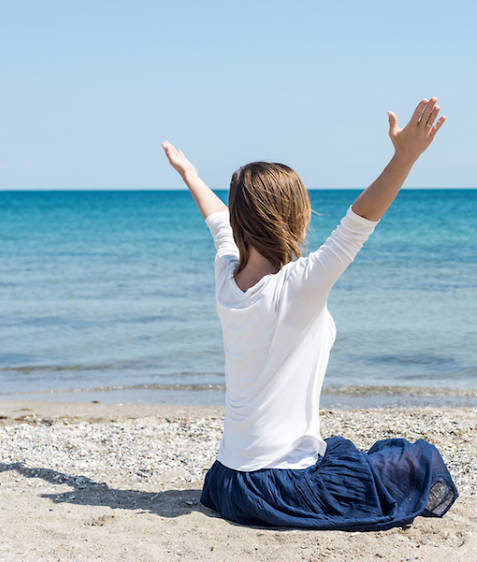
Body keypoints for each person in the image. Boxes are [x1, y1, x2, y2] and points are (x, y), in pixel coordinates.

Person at [161, 97, 457, 531]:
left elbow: (218, 222)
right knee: (419, 460)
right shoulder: (297, 286)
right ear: (294, 217)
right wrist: (405, 157)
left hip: (228, 482)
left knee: (356, 452)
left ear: (243, 218)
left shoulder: (227, 277)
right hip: (278, 486)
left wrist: (191, 176)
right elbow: (358, 222)